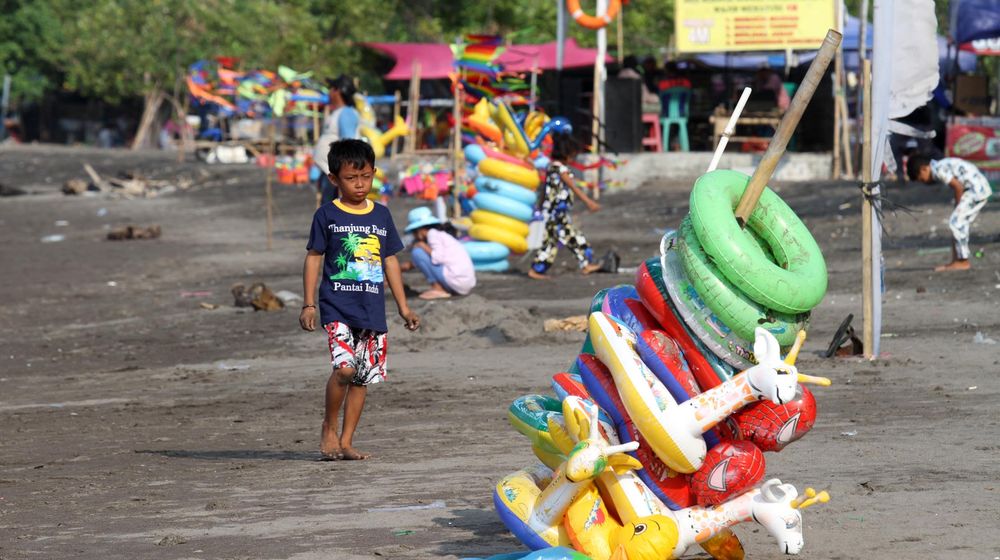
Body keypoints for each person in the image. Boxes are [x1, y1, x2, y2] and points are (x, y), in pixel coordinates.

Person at [299, 139, 420, 461]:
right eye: (352, 178)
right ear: (334, 179)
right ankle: (328, 428)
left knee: (362, 377)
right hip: (337, 305)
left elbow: (390, 260)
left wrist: (403, 307)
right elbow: (314, 257)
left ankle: (347, 440)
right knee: (344, 369)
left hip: (372, 309)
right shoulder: (326, 215)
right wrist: (309, 303)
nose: (360, 184)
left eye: (365, 176)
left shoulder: (381, 215)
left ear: (374, 174)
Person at [528, 134, 603, 279]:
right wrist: (589, 202)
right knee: (556, 242)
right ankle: (536, 270)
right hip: (555, 215)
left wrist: (540, 206)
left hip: (555, 214)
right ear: (566, 154)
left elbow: (546, 189)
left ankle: (585, 264)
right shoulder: (560, 169)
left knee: (568, 239)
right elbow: (574, 187)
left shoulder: (551, 167)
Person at [907, 154, 993, 272]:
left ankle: (963, 261)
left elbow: (957, 186)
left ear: (924, 168)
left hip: (975, 190)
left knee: (956, 222)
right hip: (977, 187)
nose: (924, 182)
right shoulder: (940, 165)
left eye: (922, 178)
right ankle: (956, 260)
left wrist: (958, 206)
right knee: (958, 223)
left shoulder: (937, 170)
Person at [399, 207, 476, 299]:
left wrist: (422, 245)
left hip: (457, 280)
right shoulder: (441, 235)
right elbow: (421, 262)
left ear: (420, 230)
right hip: (464, 283)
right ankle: (441, 288)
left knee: (417, 252)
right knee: (420, 253)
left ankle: (437, 288)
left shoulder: (432, 234)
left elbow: (438, 258)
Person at [313, 74, 361, 207]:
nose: (329, 92)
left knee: (332, 209)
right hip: (329, 171)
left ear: (338, 91)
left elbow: (348, 144)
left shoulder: (346, 113)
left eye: (331, 88)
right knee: (327, 208)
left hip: (336, 172)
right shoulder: (338, 113)